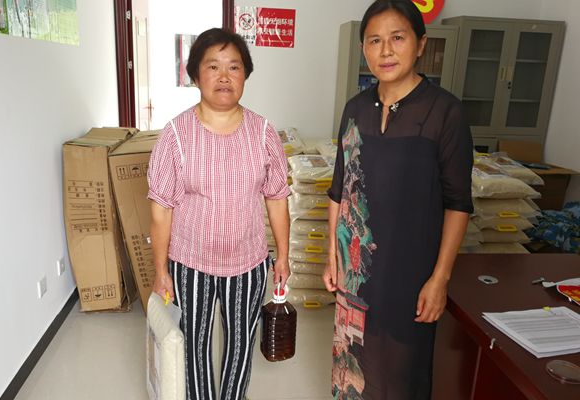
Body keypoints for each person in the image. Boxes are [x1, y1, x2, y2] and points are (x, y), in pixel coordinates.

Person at [322, 1, 473, 399]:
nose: (386, 50)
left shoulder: (445, 112)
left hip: (410, 273)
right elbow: (340, 189)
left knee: (401, 375)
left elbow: (458, 203)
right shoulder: (355, 109)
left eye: (397, 38)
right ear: (363, 49)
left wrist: (439, 279)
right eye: (374, 41)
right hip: (356, 271)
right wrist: (332, 255)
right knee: (352, 367)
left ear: (420, 44)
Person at [147, 28, 291, 400]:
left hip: (248, 262)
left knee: (241, 342)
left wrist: (283, 256)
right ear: (196, 76)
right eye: (213, 66)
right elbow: (161, 209)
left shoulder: (263, 133)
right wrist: (161, 270)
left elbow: (277, 198)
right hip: (190, 262)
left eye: (234, 67)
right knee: (193, 344)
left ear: (245, 75)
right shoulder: (175, 135)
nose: (224, 76)